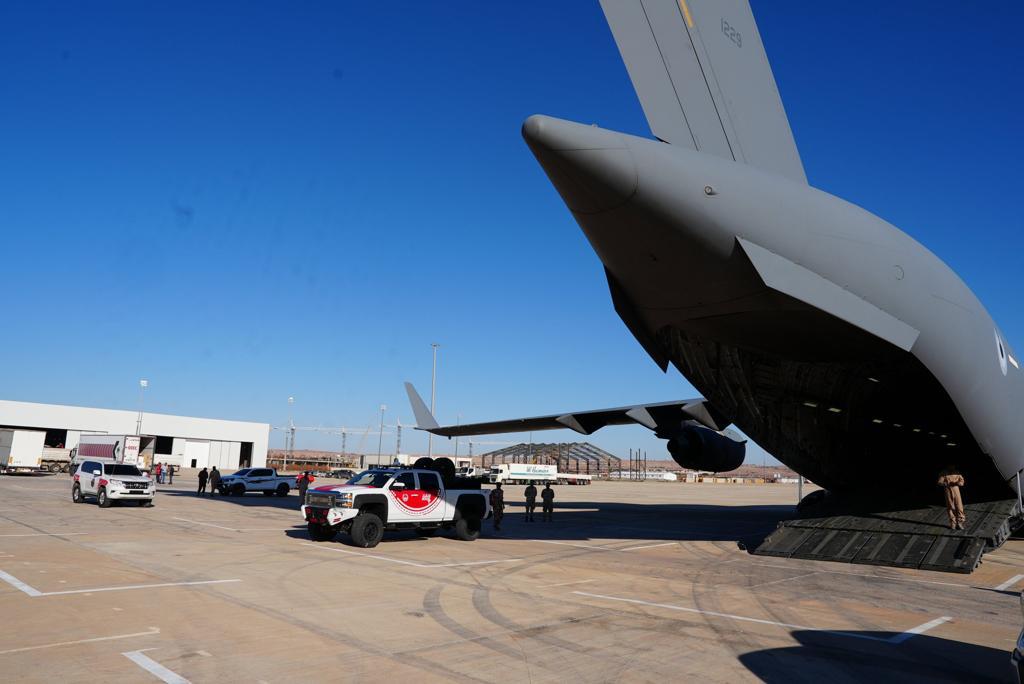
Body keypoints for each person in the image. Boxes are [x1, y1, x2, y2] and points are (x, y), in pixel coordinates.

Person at [938, 466, 966, 530]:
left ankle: (960, 522)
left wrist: (959, 483)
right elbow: (940, 482)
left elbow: (962, 480)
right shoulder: (943, 473)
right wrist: (945, 483)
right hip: (948, 490)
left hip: (956, 490)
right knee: (950, 507)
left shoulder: (957, 472)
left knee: (959, 506)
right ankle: (953, 523)